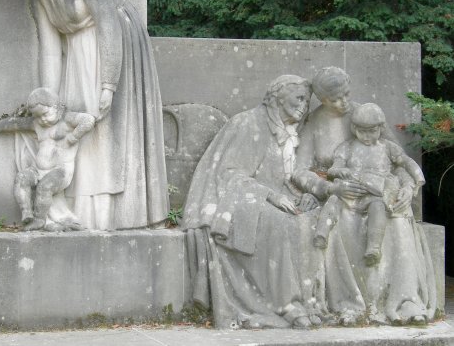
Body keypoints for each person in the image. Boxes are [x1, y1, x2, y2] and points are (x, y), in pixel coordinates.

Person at [0, 0, 168, 230]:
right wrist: (49, 99)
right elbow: (49, 51)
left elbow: (108, 20)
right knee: (79, 132)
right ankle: (83, 213)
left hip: (112, 47)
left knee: (105, 129)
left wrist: (109, 83)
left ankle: (113, 215)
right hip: (76, 56)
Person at [293, 67, 436, 325]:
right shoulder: (314, 123)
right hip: (339, 193)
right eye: (334, 100)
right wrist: (327, 188)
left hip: (379, 194)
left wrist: (406, 188)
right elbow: (299, 171)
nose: (343, 102)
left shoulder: (366, 114)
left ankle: (405, 301)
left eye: (346, 94)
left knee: (396, 220)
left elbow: (397, 162)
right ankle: (350, 304)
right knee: (343, 223)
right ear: (322, 100)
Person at [182, 75, 328, 330]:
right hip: (237, 197)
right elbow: (229, 173)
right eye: (299, 98)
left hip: (275, 196)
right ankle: (287, 304)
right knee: (279, 224)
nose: (304, 105)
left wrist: (305, 194)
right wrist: (270, 195)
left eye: (307, 100)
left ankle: (309, 301)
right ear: (279, 97)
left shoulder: (289, 133)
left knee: (313, 222)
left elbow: (287, 176)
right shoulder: (248, 123)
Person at [313, 103, 425, 267]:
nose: (366, 136)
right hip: (352, 191)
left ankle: (373, 247)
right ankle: (321, 233)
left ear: (380, 128)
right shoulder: (347, 147)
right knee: (333, 201)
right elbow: (334, 169)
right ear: (353, 128)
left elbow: (405, 162)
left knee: (378, 207)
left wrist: (418, 177)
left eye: (371, 131)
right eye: (362, 131)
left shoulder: (387, 147)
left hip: (375, 192)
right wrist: (340, 171)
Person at [0, 88, 95, 231]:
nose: (42, 119)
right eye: (37, 116)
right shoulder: (37, 123)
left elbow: (88, 120)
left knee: (45, 187)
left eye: (45, 114)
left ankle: (39, 220)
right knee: (21, 178)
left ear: (57, 107)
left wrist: (73, 137)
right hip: (38, 170)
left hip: (61, 171)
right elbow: (17, 123)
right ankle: (27, 213)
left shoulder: (67, 120)